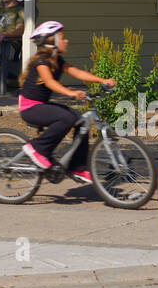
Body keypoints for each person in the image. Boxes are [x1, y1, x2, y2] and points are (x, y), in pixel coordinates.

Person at [18, 21, 116, 183]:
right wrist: (71, 93)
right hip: (30, 107)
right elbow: (49, 82)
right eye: (62, 37)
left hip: (41, 106)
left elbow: (76, 72)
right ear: (52, 40)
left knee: (80, 120)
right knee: (66, 118)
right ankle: (37, 148)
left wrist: (102, 80)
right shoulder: (41, 61)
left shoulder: (57, 60)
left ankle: (77, 168)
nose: (66, 41)